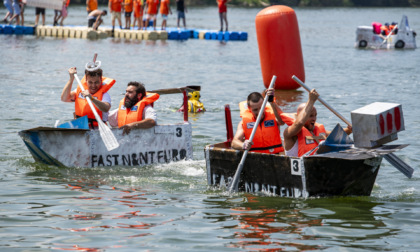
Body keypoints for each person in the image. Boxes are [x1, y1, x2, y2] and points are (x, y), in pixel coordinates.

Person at [282, 89, 352, 157]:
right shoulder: (289, 132)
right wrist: (311, 101)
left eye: (315, 115)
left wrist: (349, 130)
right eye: (310, 116)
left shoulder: (317, 130)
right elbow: (300, 123)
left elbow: (336, 136)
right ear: (299, 116)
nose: (314, 119)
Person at [231, 89, 285, 154]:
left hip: (273, 155)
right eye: (255, 110)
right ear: (249, 108)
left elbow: (282, 122)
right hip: (255, 157)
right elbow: (234, 143)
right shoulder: (243, 123)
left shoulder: (274, 116)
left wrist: (272, 102)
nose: (259, 112)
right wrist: (243, 145)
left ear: (264, 105)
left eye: (261, 108)